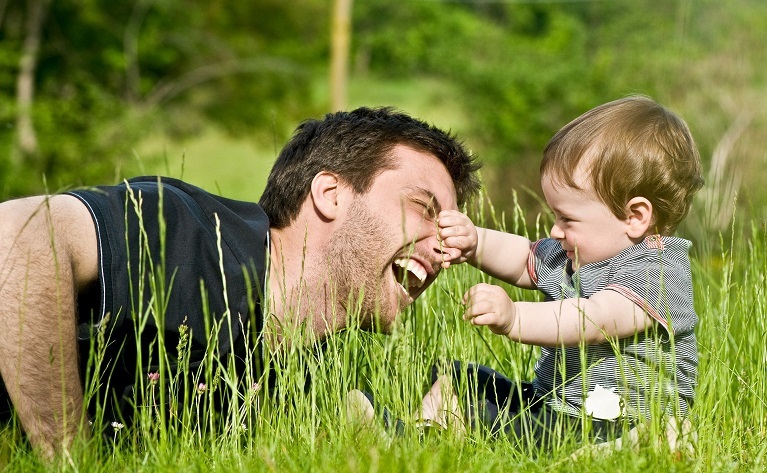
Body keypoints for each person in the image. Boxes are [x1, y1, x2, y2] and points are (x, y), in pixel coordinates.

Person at [0, 106, 482, 459]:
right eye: (425, 209)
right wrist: (70, 458)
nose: (448, 247)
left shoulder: (311, 373)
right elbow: (18, 234)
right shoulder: (193, 236)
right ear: (331, 195)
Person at [429, 95, 703, 448]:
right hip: (554, 403)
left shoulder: (658, 272)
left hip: (612, 419)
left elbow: (594, 319)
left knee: (499, 422)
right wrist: (475, 241)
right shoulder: (575, 254)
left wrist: (515, 317)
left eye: (568, 219)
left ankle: (651, 441)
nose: (555, 230)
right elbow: (524, 256)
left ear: (635, 217)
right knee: (456, 376)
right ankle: (426, 429)